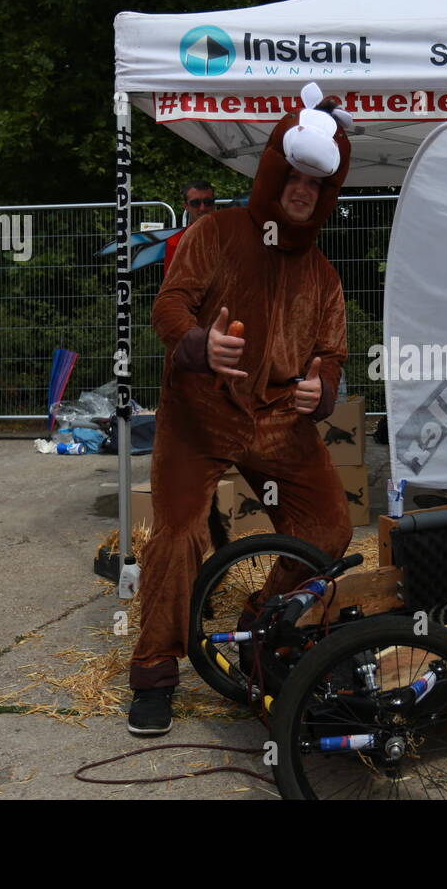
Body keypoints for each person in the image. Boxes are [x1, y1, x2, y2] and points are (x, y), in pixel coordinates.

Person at [127, 94, 354, 736]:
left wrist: (322, 387)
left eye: (316, 183)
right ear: (274, 174)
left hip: (280, 419)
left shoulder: (325, 276)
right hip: (200, 411)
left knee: (330, 528)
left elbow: (332, 353)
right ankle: (154, 673)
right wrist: (201, 344)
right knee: (177, 534)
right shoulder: (215, 233)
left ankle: (262, 625)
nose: (303, 192)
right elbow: (169, 307)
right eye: (296, 177)